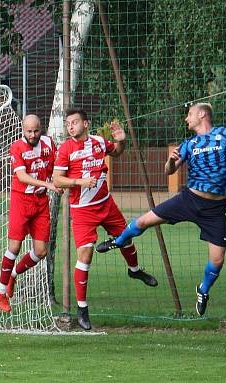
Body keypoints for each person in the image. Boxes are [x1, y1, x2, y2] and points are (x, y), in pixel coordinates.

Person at [96, 103, 226, 316]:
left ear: (202, 114)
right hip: (188, 200)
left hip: (214, 209)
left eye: (189, 114)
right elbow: (169, 171)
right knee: (143, 222)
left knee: (217, 260)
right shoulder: (188, 144)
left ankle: (203, 289)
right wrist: (170, 161)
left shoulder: (225, 134)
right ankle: (118, 240)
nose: (186, 119)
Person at [52, 109, 158, 330]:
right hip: (82, 210)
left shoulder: (99, 141)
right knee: (86, 254)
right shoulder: (66, 150)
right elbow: (58, 180)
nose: (70, 126)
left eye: (74, 122)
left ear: (86, 123)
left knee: (127, 238)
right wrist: (79, 182)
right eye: (67, 123)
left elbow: (117, 153)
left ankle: (135, 270)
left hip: (106, 205)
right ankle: (82, 309)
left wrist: (122, 141)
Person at [0, 115, 62, 313]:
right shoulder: (17, 147)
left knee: (41, 251)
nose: (32, 135)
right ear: (23, 130)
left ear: (41, 128)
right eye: (28, 131)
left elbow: (59, 165)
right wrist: (48, 184)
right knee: (14, 247)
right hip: (21, 201)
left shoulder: (49, 143)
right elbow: (22, 176)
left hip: (41, 202)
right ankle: (1, 293)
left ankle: (13, 275)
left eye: (36, 131)